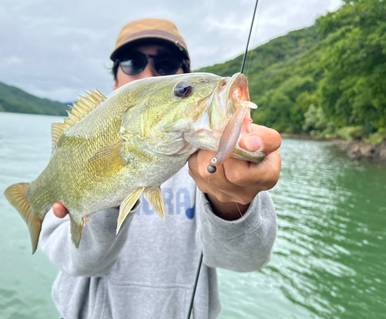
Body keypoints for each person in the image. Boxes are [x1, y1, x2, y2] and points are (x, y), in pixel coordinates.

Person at [40, 18, 281, 318]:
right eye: (132, 63)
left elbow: (247, 260)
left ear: (185, 73)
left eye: (167, 64)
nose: (148, 73)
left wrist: (232, 203)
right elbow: (73, 262)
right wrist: (106, 201)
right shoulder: (80, 148)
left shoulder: (215, 159)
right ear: (115, 82)